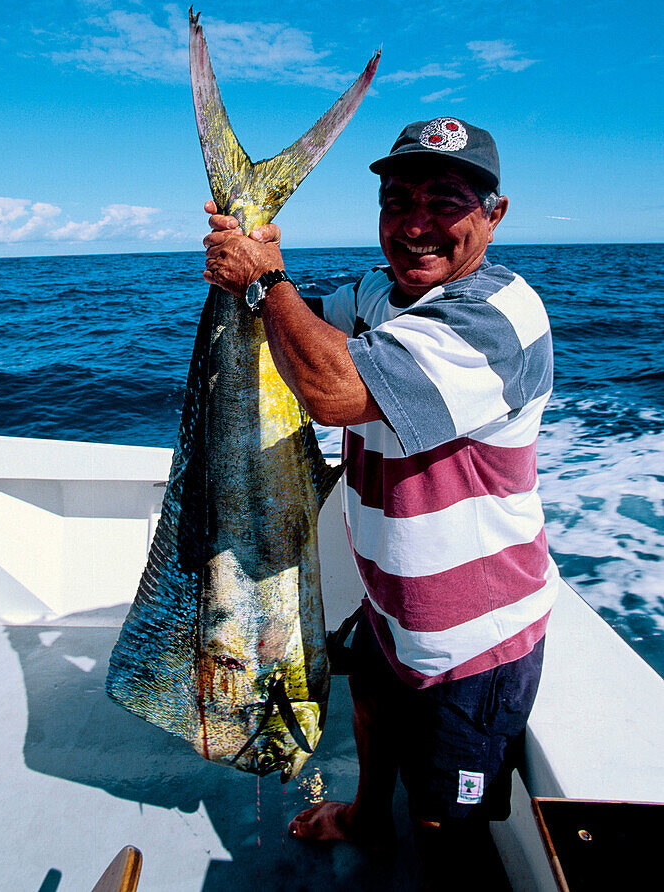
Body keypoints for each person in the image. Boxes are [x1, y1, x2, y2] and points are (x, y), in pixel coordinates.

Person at [202, 116, 559, 889]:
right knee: (368, 705)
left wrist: (263, 282)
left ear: (494, 214)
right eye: (397, 200)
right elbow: (284, 341)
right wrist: (242, 245)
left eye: (445, 201)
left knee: (441, 819)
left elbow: (334, 391)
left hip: (473, 635)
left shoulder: (500, 317)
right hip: (389, 602)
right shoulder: (374, 293)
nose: (417, 223)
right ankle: (366, 815)